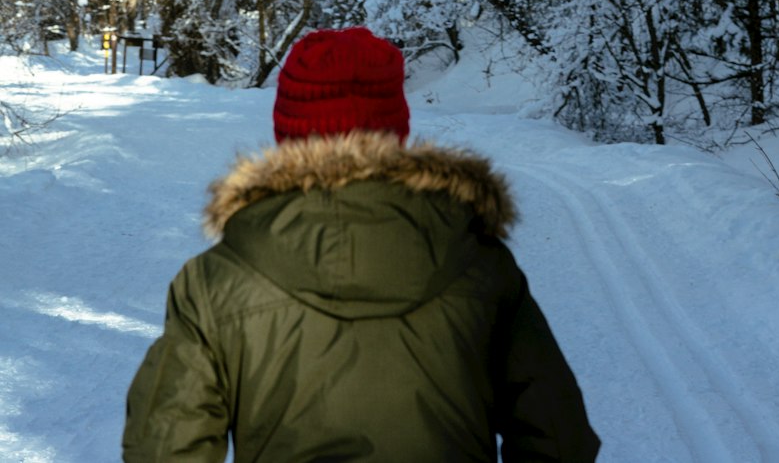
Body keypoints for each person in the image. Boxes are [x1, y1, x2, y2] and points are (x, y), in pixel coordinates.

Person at [122, 26, 600, 462]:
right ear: (397, 130)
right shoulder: (483, 266)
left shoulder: (215, 281)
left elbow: (165, 448)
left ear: (287, 132)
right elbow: (559, 437)